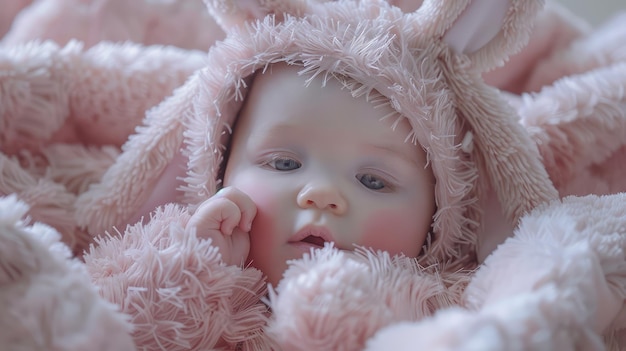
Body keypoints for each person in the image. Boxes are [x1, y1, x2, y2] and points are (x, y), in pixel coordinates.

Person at [185, 62, 436, 285]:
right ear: (220, 168)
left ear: (437, 215)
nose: (322, 194)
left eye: (373, 181)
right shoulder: (172, 262)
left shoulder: (453, 319)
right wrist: (198, 272)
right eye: (284, 163)